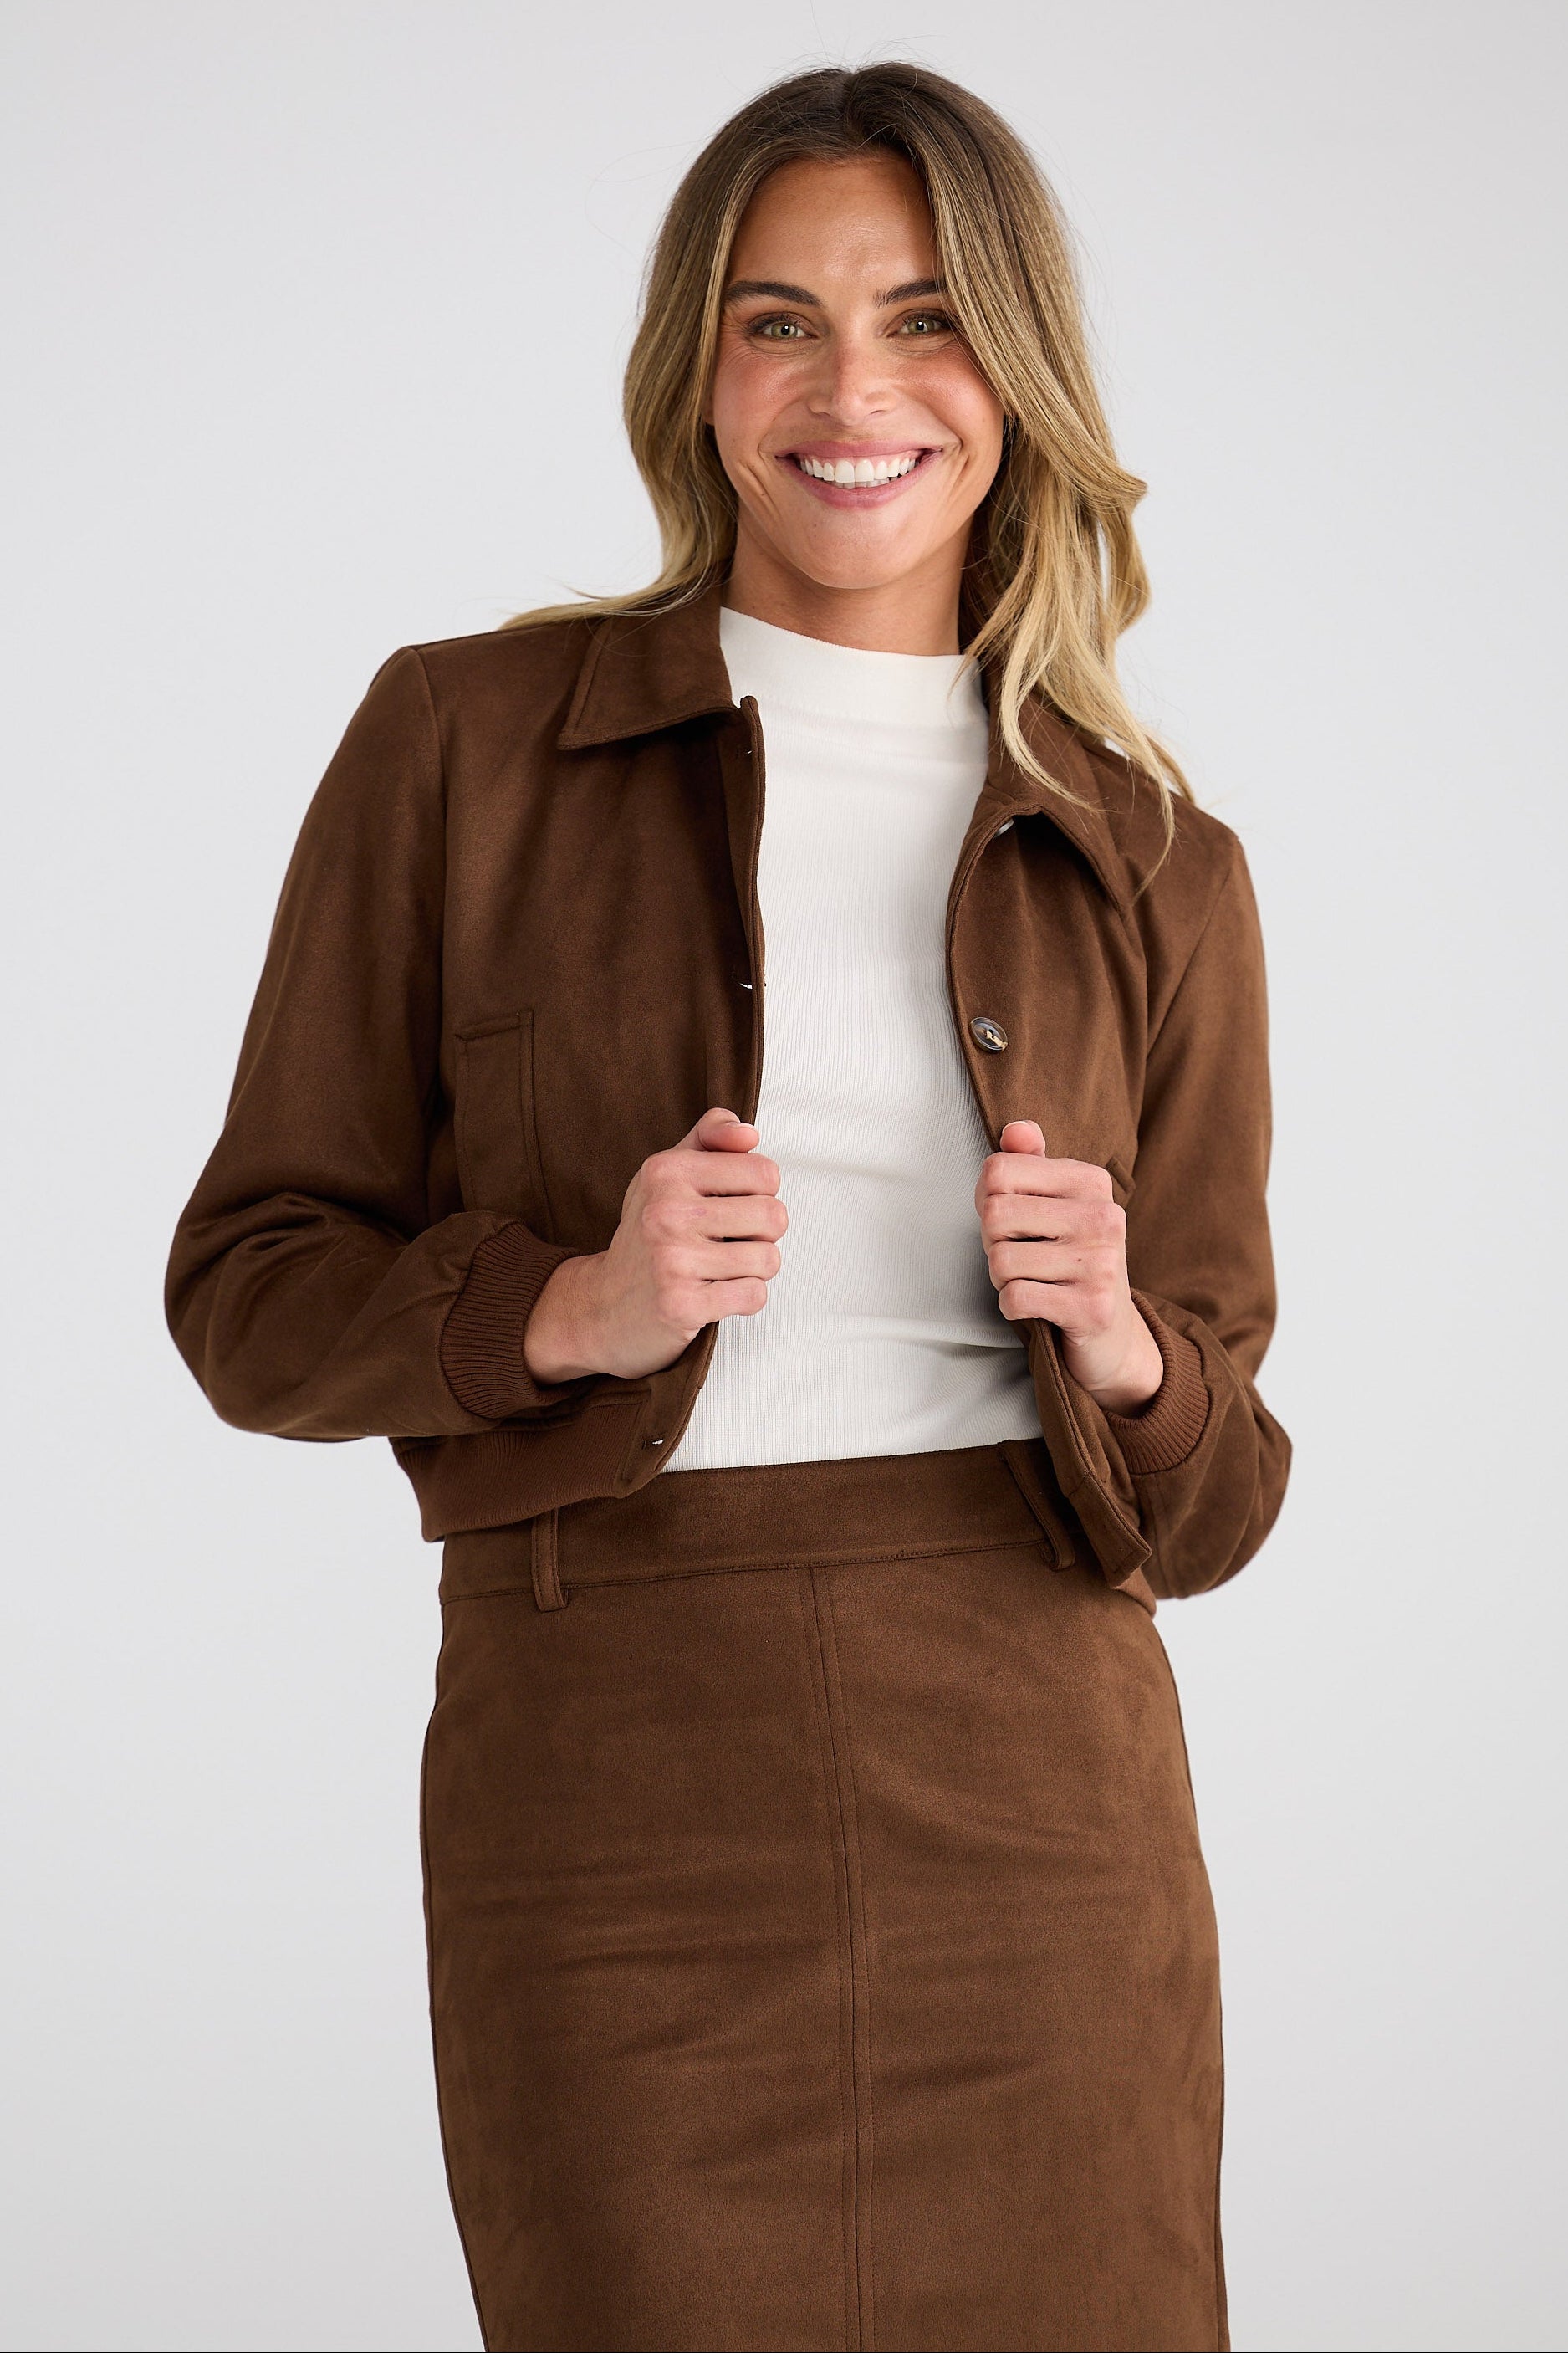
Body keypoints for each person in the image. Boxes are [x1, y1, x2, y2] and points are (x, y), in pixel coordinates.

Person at [167, 60, 1290, 2353]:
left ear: (1016, 375)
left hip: (1033, 1790)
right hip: (613, 1787)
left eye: (925, 319)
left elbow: (1219, 1502)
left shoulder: (1158, 862)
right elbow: (248, 1290)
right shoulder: (463, 743)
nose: (852, 391)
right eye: (780, 321)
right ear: (699, 371)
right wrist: (563, 1309)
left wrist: (1124, 1349)